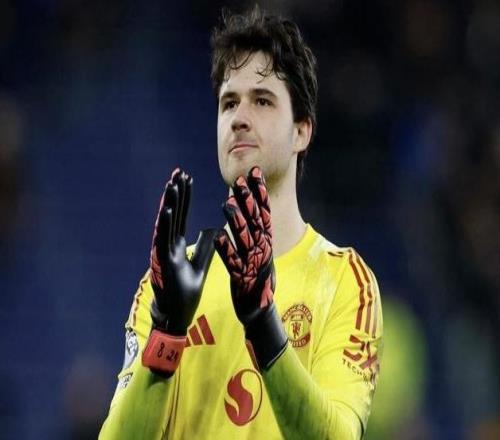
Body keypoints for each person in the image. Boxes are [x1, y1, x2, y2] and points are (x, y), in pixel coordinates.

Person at [99, 6, 383, 439]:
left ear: (302, 131)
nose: (239, 118)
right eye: (229, 103)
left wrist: (263, 324)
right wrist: (167, 332)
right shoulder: (166, 285)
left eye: (262, 101)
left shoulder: (344, 282)